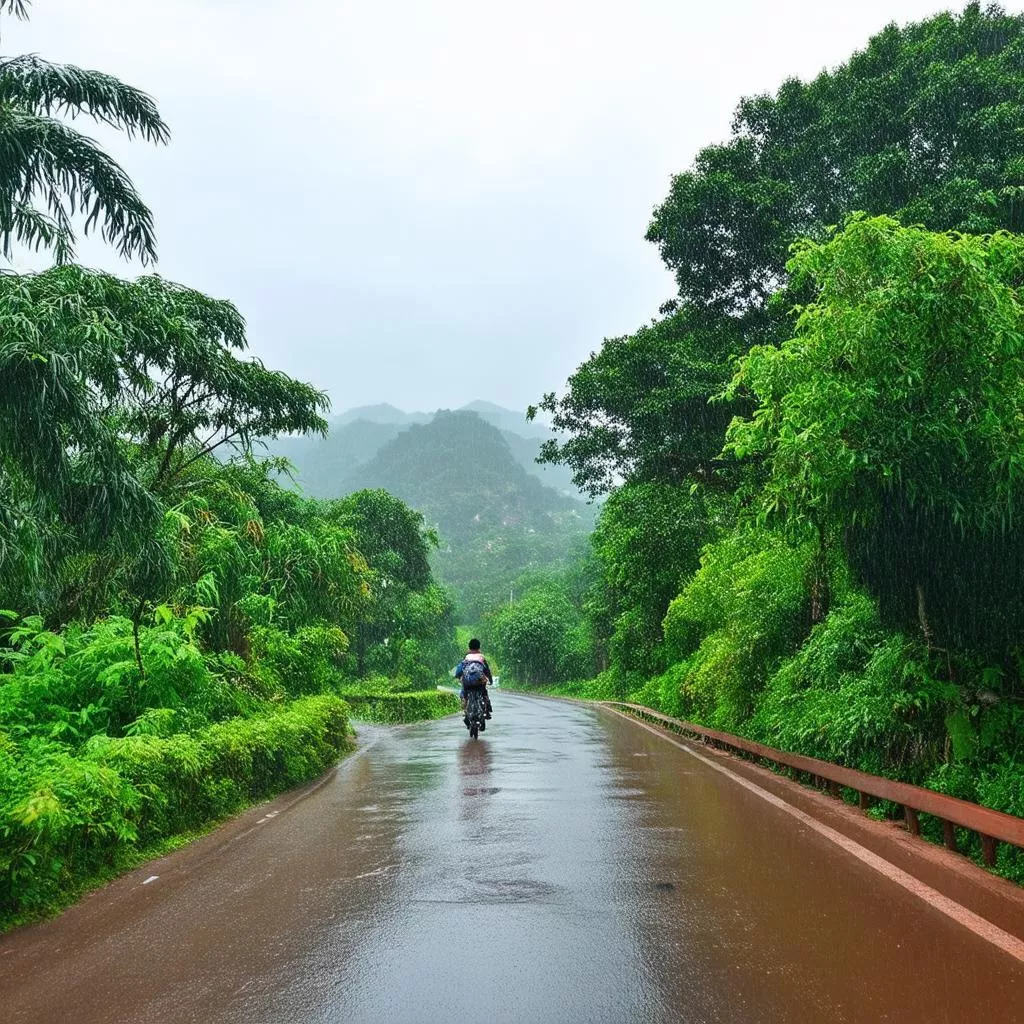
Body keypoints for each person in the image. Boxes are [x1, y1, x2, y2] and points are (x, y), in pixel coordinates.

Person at [455, 638, 493, 720]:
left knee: (464, 694)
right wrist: (490, 680)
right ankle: (487, 710)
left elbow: (459, 669)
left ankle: (465, 711)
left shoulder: (466, 657)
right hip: (479, 681)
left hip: (467, 682)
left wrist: (458, 676)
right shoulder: (481, 657)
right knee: (484, 693)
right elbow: (487, 670)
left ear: (469, 647)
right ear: (479, 647)